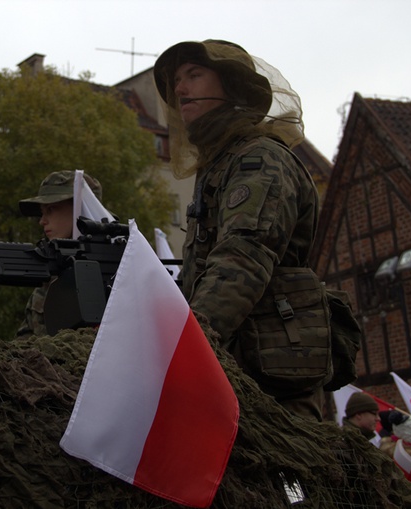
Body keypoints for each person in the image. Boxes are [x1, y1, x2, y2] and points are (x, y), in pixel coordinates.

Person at [154, 40, 328, 420]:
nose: (180, 89)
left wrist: (184, 349)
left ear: (231, 85)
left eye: (194, 75)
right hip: (234, 366)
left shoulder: (258, 157)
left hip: (271, 383)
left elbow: (243, 261)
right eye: (177, 80)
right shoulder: (222, 163)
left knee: (284, 479)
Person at [15, 170, 104, 337]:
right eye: (42, 212)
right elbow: (24, 349)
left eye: (51, 209)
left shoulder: (119, 279)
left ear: (80, 210)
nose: (42, 221)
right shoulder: (49, 283)